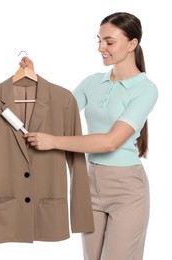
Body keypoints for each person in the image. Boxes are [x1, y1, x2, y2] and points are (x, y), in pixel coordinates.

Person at [20, 12, 158, 260]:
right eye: (99, 41)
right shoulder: (93, 82)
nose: (101, 48)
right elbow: (58, 111)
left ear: (132, 44)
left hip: (126, 190)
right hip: (89, 183)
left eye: (109, 42)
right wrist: (35, 80)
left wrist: (54, 142)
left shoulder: (145, 90)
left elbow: (110, 141)